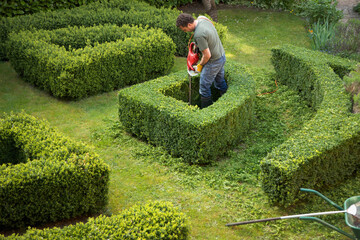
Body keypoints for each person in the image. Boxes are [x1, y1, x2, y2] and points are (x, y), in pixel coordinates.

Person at [176, 13, 227, 108]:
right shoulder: (201, 19)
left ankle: (207, 110)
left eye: (184, 29)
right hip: (221, 56)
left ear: (189, 24)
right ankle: (227, 102)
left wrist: (200, 65)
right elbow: (208, 24)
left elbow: (207, 55)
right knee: (220, 82)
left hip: (213, 62)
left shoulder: (199, 35)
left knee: (204, 87)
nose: (186, 31)